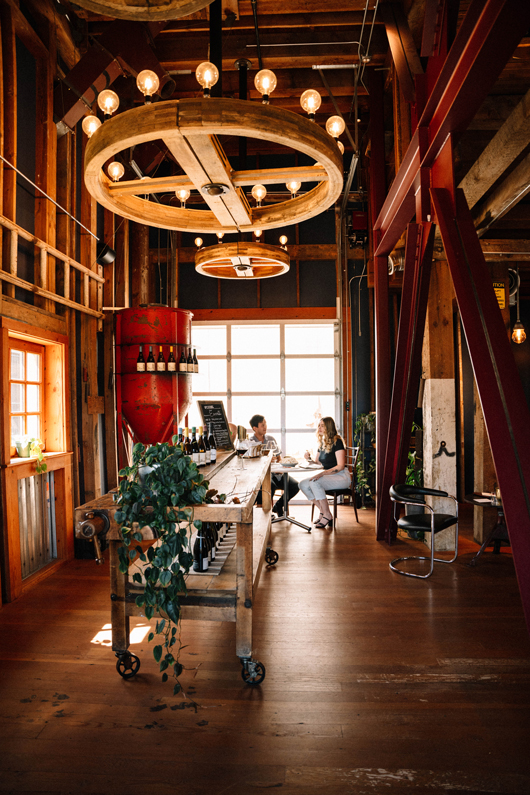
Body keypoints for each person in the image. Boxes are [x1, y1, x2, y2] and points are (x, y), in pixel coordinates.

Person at [299, 417, 350, 528]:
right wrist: (309, 459)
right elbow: (318, 463)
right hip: (329, 476)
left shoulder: (337, 441)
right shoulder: (322, 442)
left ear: (329, 427)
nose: (319, 428)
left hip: (341, 477)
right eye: (319, 425)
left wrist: (322, 474)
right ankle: (323, 510)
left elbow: (340, 466)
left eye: (322, 425)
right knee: (302, 484)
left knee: (314, 482)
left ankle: (327, 514)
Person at [249, 414, 299, 517]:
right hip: (263, 476)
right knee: (270, 486)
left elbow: (279, 458)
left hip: (276, 473)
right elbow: (252, 463)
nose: (265, 427)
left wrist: (280, 468)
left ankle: (278, 505)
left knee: (295, 486)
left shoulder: (271, 439)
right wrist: (265, 459)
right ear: (255, 428)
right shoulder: (251, 442)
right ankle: (265, 515)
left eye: (265, 424)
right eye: (262, 425)